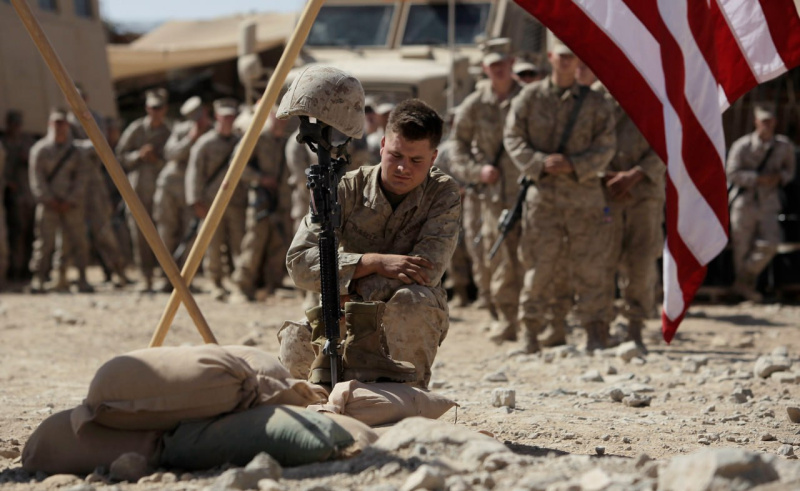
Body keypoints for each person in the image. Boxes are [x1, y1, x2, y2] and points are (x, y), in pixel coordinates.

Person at [280, 67, 462, 388]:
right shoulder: (346, 188)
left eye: (416, 160)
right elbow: (299, 264)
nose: (403, 167)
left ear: (434, 157)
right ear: (382, 145)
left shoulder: (442, 193)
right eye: (396, 155)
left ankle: (407, 392)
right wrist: (374, 262)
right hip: (343, 315)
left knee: (412, 301)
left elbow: (426, 272)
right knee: (295, 344)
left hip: (393, 313)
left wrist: (354, 290)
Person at [504, 35, 616, 352]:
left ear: (578, 60)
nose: (566, 61)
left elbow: (606, 145)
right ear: (550, 57)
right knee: (539, 266)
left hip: (585, 199)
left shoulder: (596, 103)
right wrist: (539, 163)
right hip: (543, 198)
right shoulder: (529, 98)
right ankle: (531, 333)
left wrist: (574, 165)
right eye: (561, 55)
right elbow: (513, 137)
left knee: (590, 266)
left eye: (571, 56)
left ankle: (595, 332)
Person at [450, 38, 524, 343]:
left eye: (503, 64)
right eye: (493, 65)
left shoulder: (529, 98)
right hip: (493, 196)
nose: (499, 70)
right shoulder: (475, 105)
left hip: (531, 192)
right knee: (500, 256)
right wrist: (476, 172)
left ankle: (537, 319)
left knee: (536, 254)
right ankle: (505, 318)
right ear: (485, 68)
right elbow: (457, 146)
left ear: (512, 63)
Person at [599, 86, 665, 353]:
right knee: (601, 262)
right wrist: (603, 174)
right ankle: (600, 327)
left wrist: (635, 175)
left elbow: (669, 142)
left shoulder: (653, 92)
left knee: (641, 262)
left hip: (644, 195)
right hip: (604, 193)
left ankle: (635, 326)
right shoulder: (595, 98)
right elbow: (584, 141)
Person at [727, 103, 796, 302]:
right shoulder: (742, 145)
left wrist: (778, 178)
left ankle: (743, 282)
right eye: (764, 121)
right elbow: (731, 173)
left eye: (770, 121)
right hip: (744, 202)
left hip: (769, 202)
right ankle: (745, 290)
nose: (767, 124)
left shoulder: (784, 146)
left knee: (770, 243)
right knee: (741, 247)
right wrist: (757, 179)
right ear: (756, 121)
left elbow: (790, 172)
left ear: (775, 121)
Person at [185, 98, 246, 300]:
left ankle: (239, 282)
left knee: (239, 243)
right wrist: (195, 200)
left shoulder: (240, 141)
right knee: (213, 243)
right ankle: (215, 282)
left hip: (235, 201)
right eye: (224, 116)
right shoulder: (205, 143)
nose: (228, 120)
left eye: (231, 116)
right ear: (217, 116)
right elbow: (194, 173)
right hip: (211, 202)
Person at [28, 108, 93, 293]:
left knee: (79, 241)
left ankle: (81, 278)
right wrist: (49, 200)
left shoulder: (76, 151)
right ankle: (39, 278)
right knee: (43, 243)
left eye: (62, 123)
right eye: (56, 123)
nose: (59, 127)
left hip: (71, 205)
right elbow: (36, 179)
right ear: (50, 124)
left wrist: (70, 200)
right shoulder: (40, 150)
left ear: (67, 125)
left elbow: (82, 177)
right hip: (48, 205)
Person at [116, 88, 172, 291]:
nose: (155, 112)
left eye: (159, 108)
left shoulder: (169, 132)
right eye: (152, 108)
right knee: (139, 235)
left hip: (162, 192)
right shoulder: (136, 129)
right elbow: (119, 156)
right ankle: (145, 277)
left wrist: (156, 160)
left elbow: (174, 161)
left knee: (165, 234)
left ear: (165, 109)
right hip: (137, 191)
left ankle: (167, 277)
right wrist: (138, 155)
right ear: (147, 108)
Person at [232, 108, 291, 301]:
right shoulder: (257, 138)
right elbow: (238, 165)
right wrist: (260, 179)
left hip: (281, 201)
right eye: (277, 118)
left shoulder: (287, 142)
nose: (280, 122)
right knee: (254, 243)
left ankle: (271, 285)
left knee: (278, 244)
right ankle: (242, 286)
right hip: (261, 200)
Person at [155, 96, 210, 277]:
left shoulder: (212, 132)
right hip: (171, 188)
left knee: (191, 234)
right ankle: (166, 276)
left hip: (194, 192)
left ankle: (186, 278)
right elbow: (170, 153)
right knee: (167, 231)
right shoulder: (182, 131)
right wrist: (191, 138)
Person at [2, 110, 36, 282]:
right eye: (13, 123)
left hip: (30, 195)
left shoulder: (27, 142)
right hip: (14, 197)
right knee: (17, 234)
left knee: (30, 234)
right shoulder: (4, 143)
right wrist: (8, 183)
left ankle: (27, 268)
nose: (16, 127)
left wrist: (27, 158)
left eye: (18, 124)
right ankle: (15, 268)